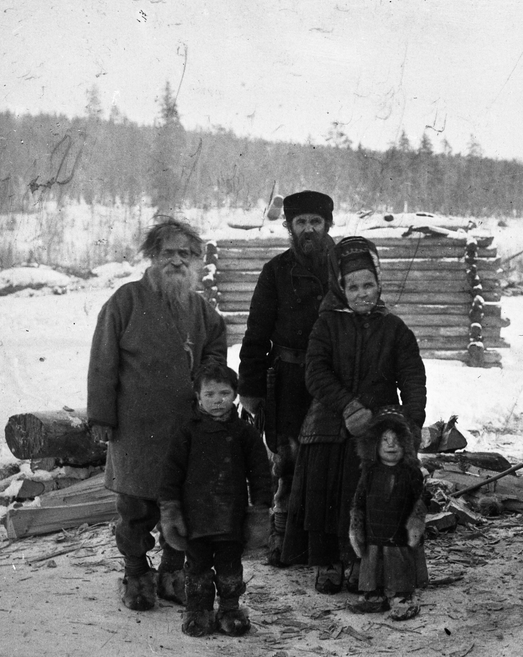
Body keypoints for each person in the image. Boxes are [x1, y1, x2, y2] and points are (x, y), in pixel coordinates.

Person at [87, 217, 227, 612]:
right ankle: (136, 575)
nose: (177, 261)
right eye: (169, 252)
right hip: (135, 429)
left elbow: (216, 344)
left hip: (185, 429)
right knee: (134, 509)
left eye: (186, 253)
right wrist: (101, 417)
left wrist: (208, 379)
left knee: (180, 503)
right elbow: (102, 361)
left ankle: (171, 573)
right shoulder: (125, 301)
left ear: (196, 260)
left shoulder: (199, 307)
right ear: (153, 256)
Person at [281, 235, 427, 594]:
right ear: (340, 288)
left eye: (369, 285)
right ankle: (328, 563)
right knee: (326, 491)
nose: (363, 293)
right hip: (330, 422)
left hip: (377, 425)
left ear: (379, 285)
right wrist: (347, 405)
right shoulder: (327, 324)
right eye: (354, 287)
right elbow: (315, 371)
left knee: (370, 494)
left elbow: (412, 376)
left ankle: (360, 561)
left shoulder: (394, 328)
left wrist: (412, 421)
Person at [237, 190, 335, 566]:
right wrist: (250, 389)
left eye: (315, 221)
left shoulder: (343, 268)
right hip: (290, 380)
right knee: (288, 459)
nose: (308, 229)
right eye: (300, 222)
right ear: (290, 227)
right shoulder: (275, 272)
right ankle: (282, 534)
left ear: (327, 224)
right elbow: (256, 334)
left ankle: (325, 542)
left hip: (333, 381)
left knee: (331, 458)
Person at [159, 362, 272, 637]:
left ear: (235, 395)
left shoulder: (245, 433)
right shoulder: (186, 432)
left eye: (223, 393)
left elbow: (260, 473)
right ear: (198, 396)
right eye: (209, 394)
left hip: (231, 518)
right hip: (195, 518)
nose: (217, 400)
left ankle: (230, 610)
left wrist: (259, 511)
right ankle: (198, 611)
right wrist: (170, 510)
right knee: (196, 568)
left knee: (230, 567)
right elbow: (170, 474)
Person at [347, 406, 428, 621]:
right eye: (385, 440)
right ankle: (374, 594)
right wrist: (356, 526)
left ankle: (401, 597)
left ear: (406, 444)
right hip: (374, 532)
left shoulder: (411, 473)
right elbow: (359, 501)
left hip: (400, 533)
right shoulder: (369, 472)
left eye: (396, 440)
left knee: (398, 564)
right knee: (373, 563)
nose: (391, 445)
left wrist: (417, 521)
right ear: (374, 444)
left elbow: (420, 500)